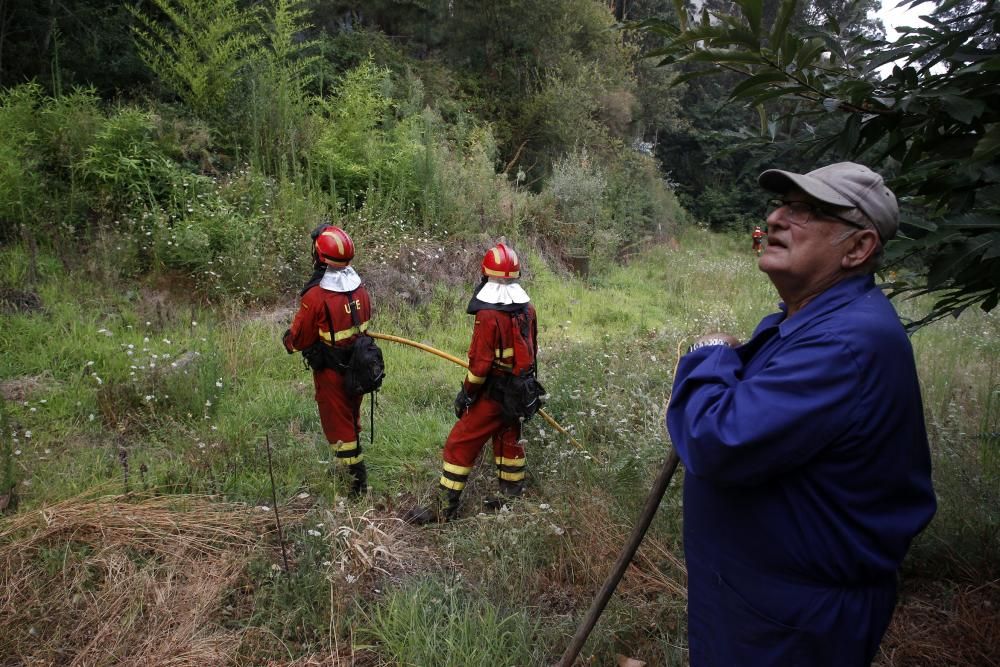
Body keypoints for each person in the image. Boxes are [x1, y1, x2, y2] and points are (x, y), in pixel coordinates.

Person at [666, 162, 937, 666]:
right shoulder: (807, 322)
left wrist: (708, 354)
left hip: (792, 619)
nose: (774, 218)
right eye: (781, 205)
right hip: (762, 600)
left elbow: (714, 439)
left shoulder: (843, 342)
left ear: (858, 249)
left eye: (806, 211)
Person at [407, 242, 540, 523]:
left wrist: (467, 394)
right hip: (520, 389)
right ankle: (510, 498)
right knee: (508, 439)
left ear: (485, 273)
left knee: (459, 442)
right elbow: (533, 349)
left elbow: (480, 367)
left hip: (495, 393)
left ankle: (444, 509)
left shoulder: (488, 315)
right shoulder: (528, 309)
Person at [283, 224, 372, 496]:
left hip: (332, 373)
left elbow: (299, 337)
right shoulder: (359, 289)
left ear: (320, 256)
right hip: (360, 368)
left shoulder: (316, 296)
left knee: (339, 427)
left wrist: (288, 340)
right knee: (351, 416)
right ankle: (351, 463)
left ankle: (355, 482)